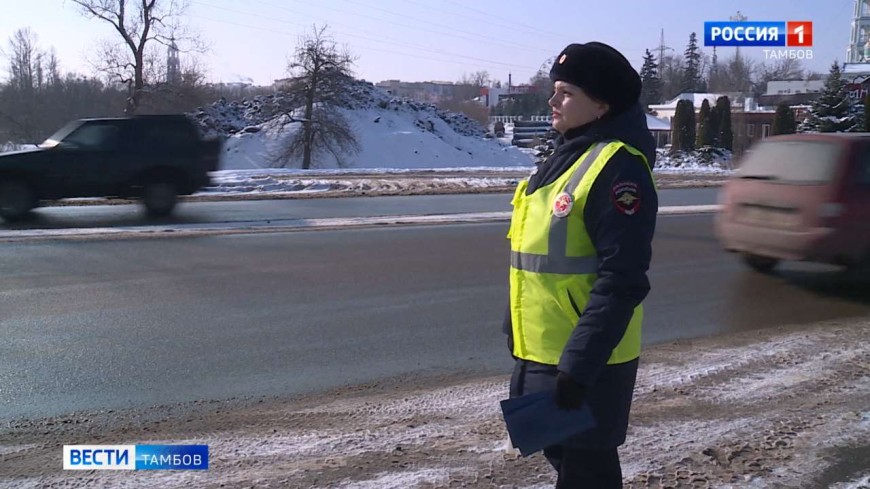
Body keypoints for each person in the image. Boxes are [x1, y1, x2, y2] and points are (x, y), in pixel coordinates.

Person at [504, 41, 658, 488]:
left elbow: (622, 280)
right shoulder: (564, 158)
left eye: (566, 93)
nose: (553, 101)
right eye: (555, 90)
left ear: (602, 104)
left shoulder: (618, 169)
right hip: (542, 352)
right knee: (570, 465)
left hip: (585, 361)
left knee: (587, 471)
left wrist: (579, 365)